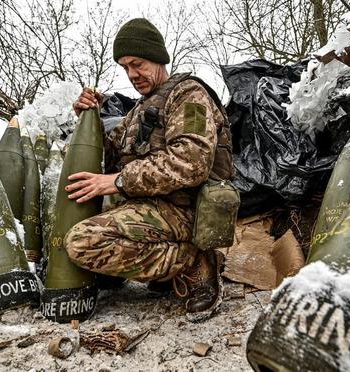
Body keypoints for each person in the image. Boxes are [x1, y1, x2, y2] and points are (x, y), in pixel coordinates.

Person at [64, 18, 234, 321]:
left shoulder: (188, 95)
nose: (132, 74)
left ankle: (192, 263)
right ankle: (165, 271)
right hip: (152, 208)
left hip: (186, 209)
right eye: (124, 67)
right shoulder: (140, 111)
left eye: (137, 63)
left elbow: (191, 161)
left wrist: (117, 182)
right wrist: (88, 120)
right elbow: (110, 157)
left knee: (83, 243)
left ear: (157, 57)